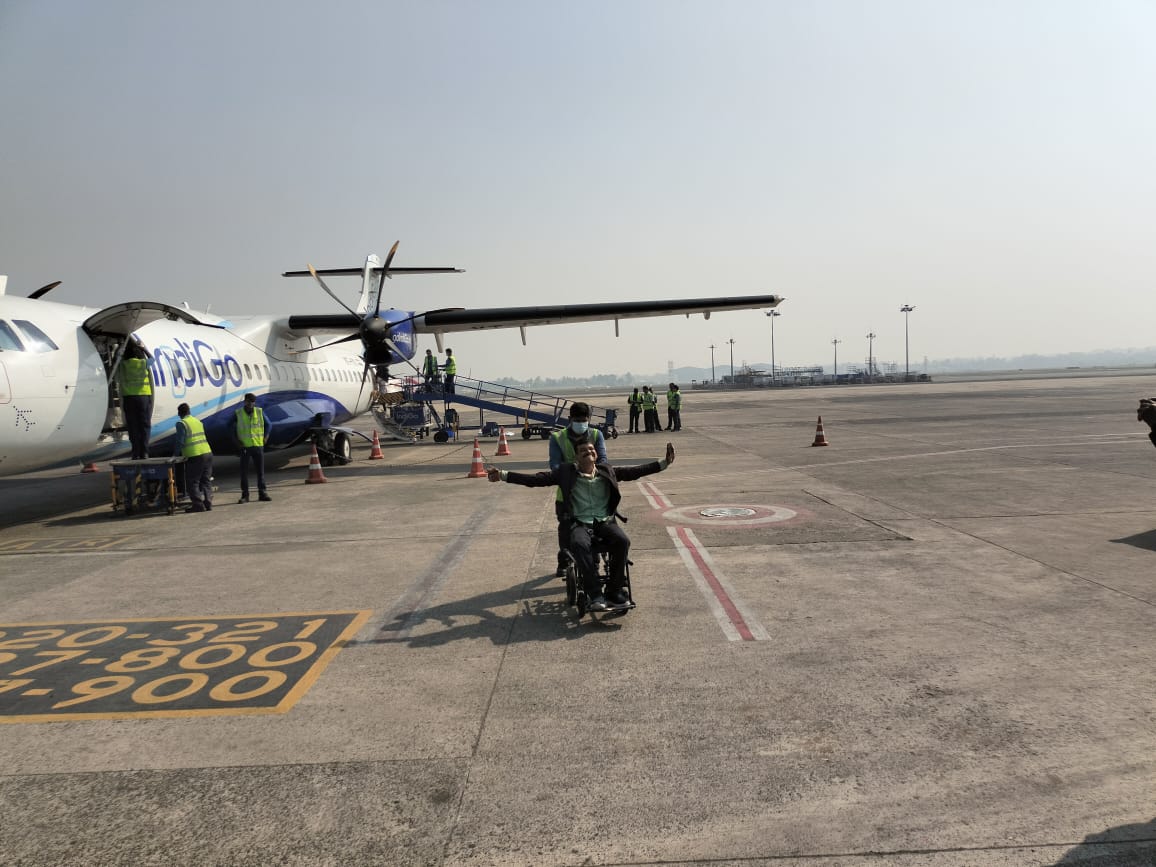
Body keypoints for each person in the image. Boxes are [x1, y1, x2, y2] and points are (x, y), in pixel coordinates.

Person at [487, 441, 676, 611]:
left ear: (596, 454)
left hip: (604, 522)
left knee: (622, 541)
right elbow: (536, 480)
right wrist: (503, 475)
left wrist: (664, 463)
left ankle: (614, 591)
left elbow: (634, 472)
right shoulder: (566, 473)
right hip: (580, 523)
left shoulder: (607, 470)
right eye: (583, 450)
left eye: (591, 449)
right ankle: (595, 593)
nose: (588, 452)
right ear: (576, 457)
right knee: (578, 544)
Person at [549, 402, 608, 577]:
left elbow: (603, 460)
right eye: (577, 420)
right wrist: (576, 469)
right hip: (567, 494)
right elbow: (554, 466)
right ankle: (564, 559)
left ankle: (593, 562)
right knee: (566, 529)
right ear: (570, 419)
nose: (581, 423)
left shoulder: (596, 435)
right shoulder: (558, 438)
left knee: (593, 528)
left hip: (591, 492)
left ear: (588, 419)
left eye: (584, 420)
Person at [118, 340, 154, 459]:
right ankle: (144, 452)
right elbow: (152, 359)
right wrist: (144, 349)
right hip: (143, 397)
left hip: (129, 398)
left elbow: (116, 360)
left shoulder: (123, 364)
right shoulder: (143, 363)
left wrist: (120, 350)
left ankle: (135, 452)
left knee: (132, 426)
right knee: (145, 425)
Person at [234, 393, 272, 503]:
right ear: (245, 402)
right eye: (249, 402)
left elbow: (269, 424)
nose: (251, 404)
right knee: (244, 473)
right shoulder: (238, 413)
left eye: (253, 402)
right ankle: (245, 495)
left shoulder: (259, 412)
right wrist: (236, 440)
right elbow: (228, 426)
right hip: (245, 447)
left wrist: (266, 437)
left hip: (258, 446)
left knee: (260, 472)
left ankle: (262, 493)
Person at [174, 403, 213, 512]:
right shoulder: (197, 421)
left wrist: (175, 455)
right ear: (189, 411)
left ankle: (198, 505)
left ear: (179, 413)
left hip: (195, 455)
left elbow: (180, 441)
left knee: (192, 482)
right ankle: (208, 503)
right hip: (207, 452)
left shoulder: (181, 423)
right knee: (206, 480)